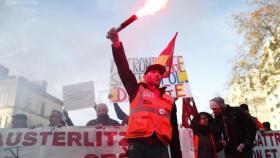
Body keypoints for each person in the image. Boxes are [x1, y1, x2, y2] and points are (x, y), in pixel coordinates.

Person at [107, 28, 182, 158]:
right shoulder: (135, 89)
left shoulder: (169, 99)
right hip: (138, 145)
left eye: (159, 74)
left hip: (161, 147)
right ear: (145, 76)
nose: (157, 75)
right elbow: (123, 68)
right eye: (153, 72)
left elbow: (174, 130)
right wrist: (116, 44)